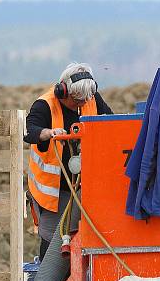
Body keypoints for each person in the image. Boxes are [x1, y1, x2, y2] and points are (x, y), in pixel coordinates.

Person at [25, 63, 113, 260]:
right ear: (63, 91)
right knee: (53, 242)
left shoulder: (90, 99)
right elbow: (29, 131)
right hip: (53, 190)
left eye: (86, 100)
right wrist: (49, 133)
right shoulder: (45, 105)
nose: (82, 105)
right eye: (77, 101)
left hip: (85, 186)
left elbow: (110, 121)